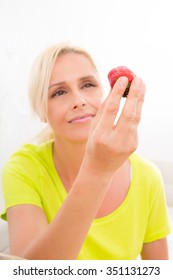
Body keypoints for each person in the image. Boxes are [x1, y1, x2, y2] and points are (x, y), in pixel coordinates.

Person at [0, 43, 171, 260]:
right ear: (42, 110)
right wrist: (97, 171)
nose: (79, 101)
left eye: (88, 85)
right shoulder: (23, 168)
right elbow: (26, 273)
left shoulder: (148, 177)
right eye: (59, 92)